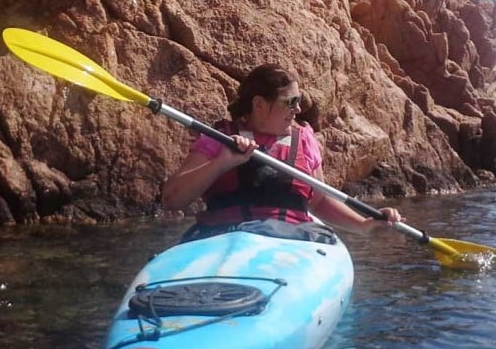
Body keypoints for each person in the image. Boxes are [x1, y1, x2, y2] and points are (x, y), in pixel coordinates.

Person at [161, 63, 403, 242]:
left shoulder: (304, 139)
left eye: (298, 101)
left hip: (290, 242)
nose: (298, 109)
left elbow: (318, 200)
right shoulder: (219, 139)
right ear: (259, 105)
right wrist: (222, 162)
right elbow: (171, 200)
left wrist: (364, 224)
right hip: (223, 237)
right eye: (290, 102)